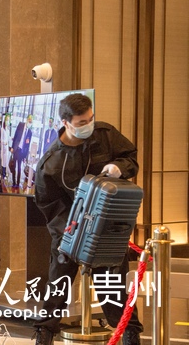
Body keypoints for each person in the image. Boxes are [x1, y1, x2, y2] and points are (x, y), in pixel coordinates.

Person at [32, 94, 142, 345]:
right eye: (82, 123)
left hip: (107, 227)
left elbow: (131, 158)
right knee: (58, 284)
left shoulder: (105, 135)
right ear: (66, 122)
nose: (88, 125)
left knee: (112, 286)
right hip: (70, 232)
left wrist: (119, 167)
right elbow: (48, 205)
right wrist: (71, 233)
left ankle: (129, 332)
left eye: (90, 119)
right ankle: (44, 333)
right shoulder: (51, 162)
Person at [10, 114, 33, 191]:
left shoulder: (30, 132)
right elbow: (15, 135)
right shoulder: (20, 125)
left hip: (22, 152)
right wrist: (12, 147)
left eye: (31, 122)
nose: (30, 122)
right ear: (27, 120)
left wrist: (25, 157)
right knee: (13, 166)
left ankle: (17, 183)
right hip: (16, 148)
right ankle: (13, 182)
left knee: (19, 167)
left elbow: (28, 145)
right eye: (29, 120)